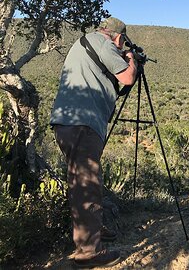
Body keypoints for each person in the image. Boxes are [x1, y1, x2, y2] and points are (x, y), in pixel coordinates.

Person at [50, 16, 137, 268]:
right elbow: (127, 78)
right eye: (122, 44)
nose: (121, 48)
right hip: (82, 123)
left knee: (82, 181)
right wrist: (130, 58)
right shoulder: (104, 44)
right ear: (118, 37)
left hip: (68, 122)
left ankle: (93, 231)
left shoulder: (83, 43)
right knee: (86, 184)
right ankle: (89, 251)